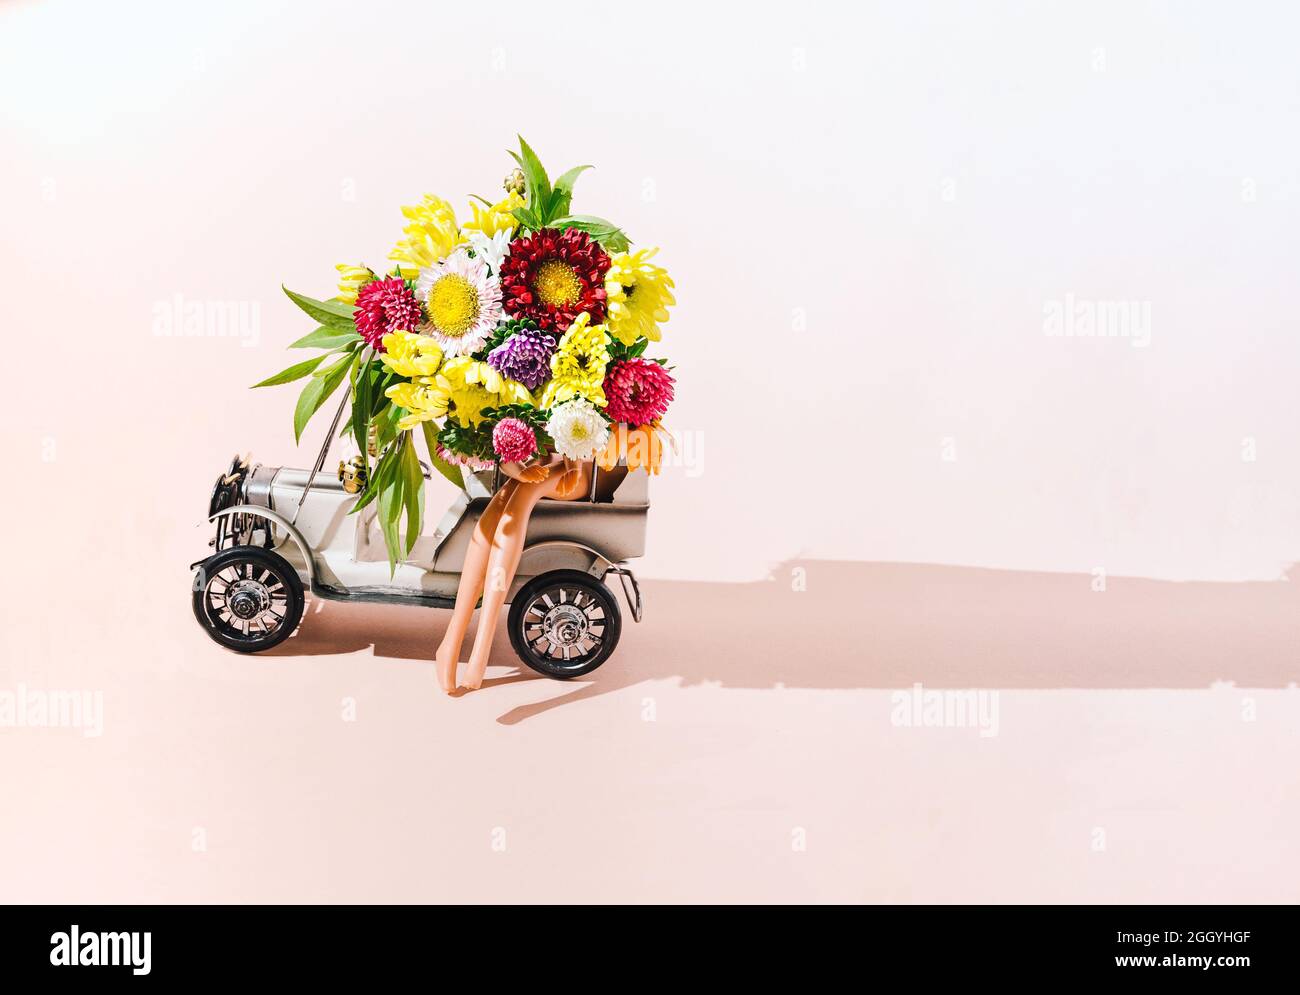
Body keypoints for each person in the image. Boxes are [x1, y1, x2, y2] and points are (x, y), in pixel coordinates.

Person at [434, 455, 592, 692]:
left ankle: (481, 646)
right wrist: (514, 465)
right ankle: (452, 640)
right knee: (504, 497)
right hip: (547, 459)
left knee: (524, 490)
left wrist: (573, 462)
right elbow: (507, 444)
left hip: (584, 468)